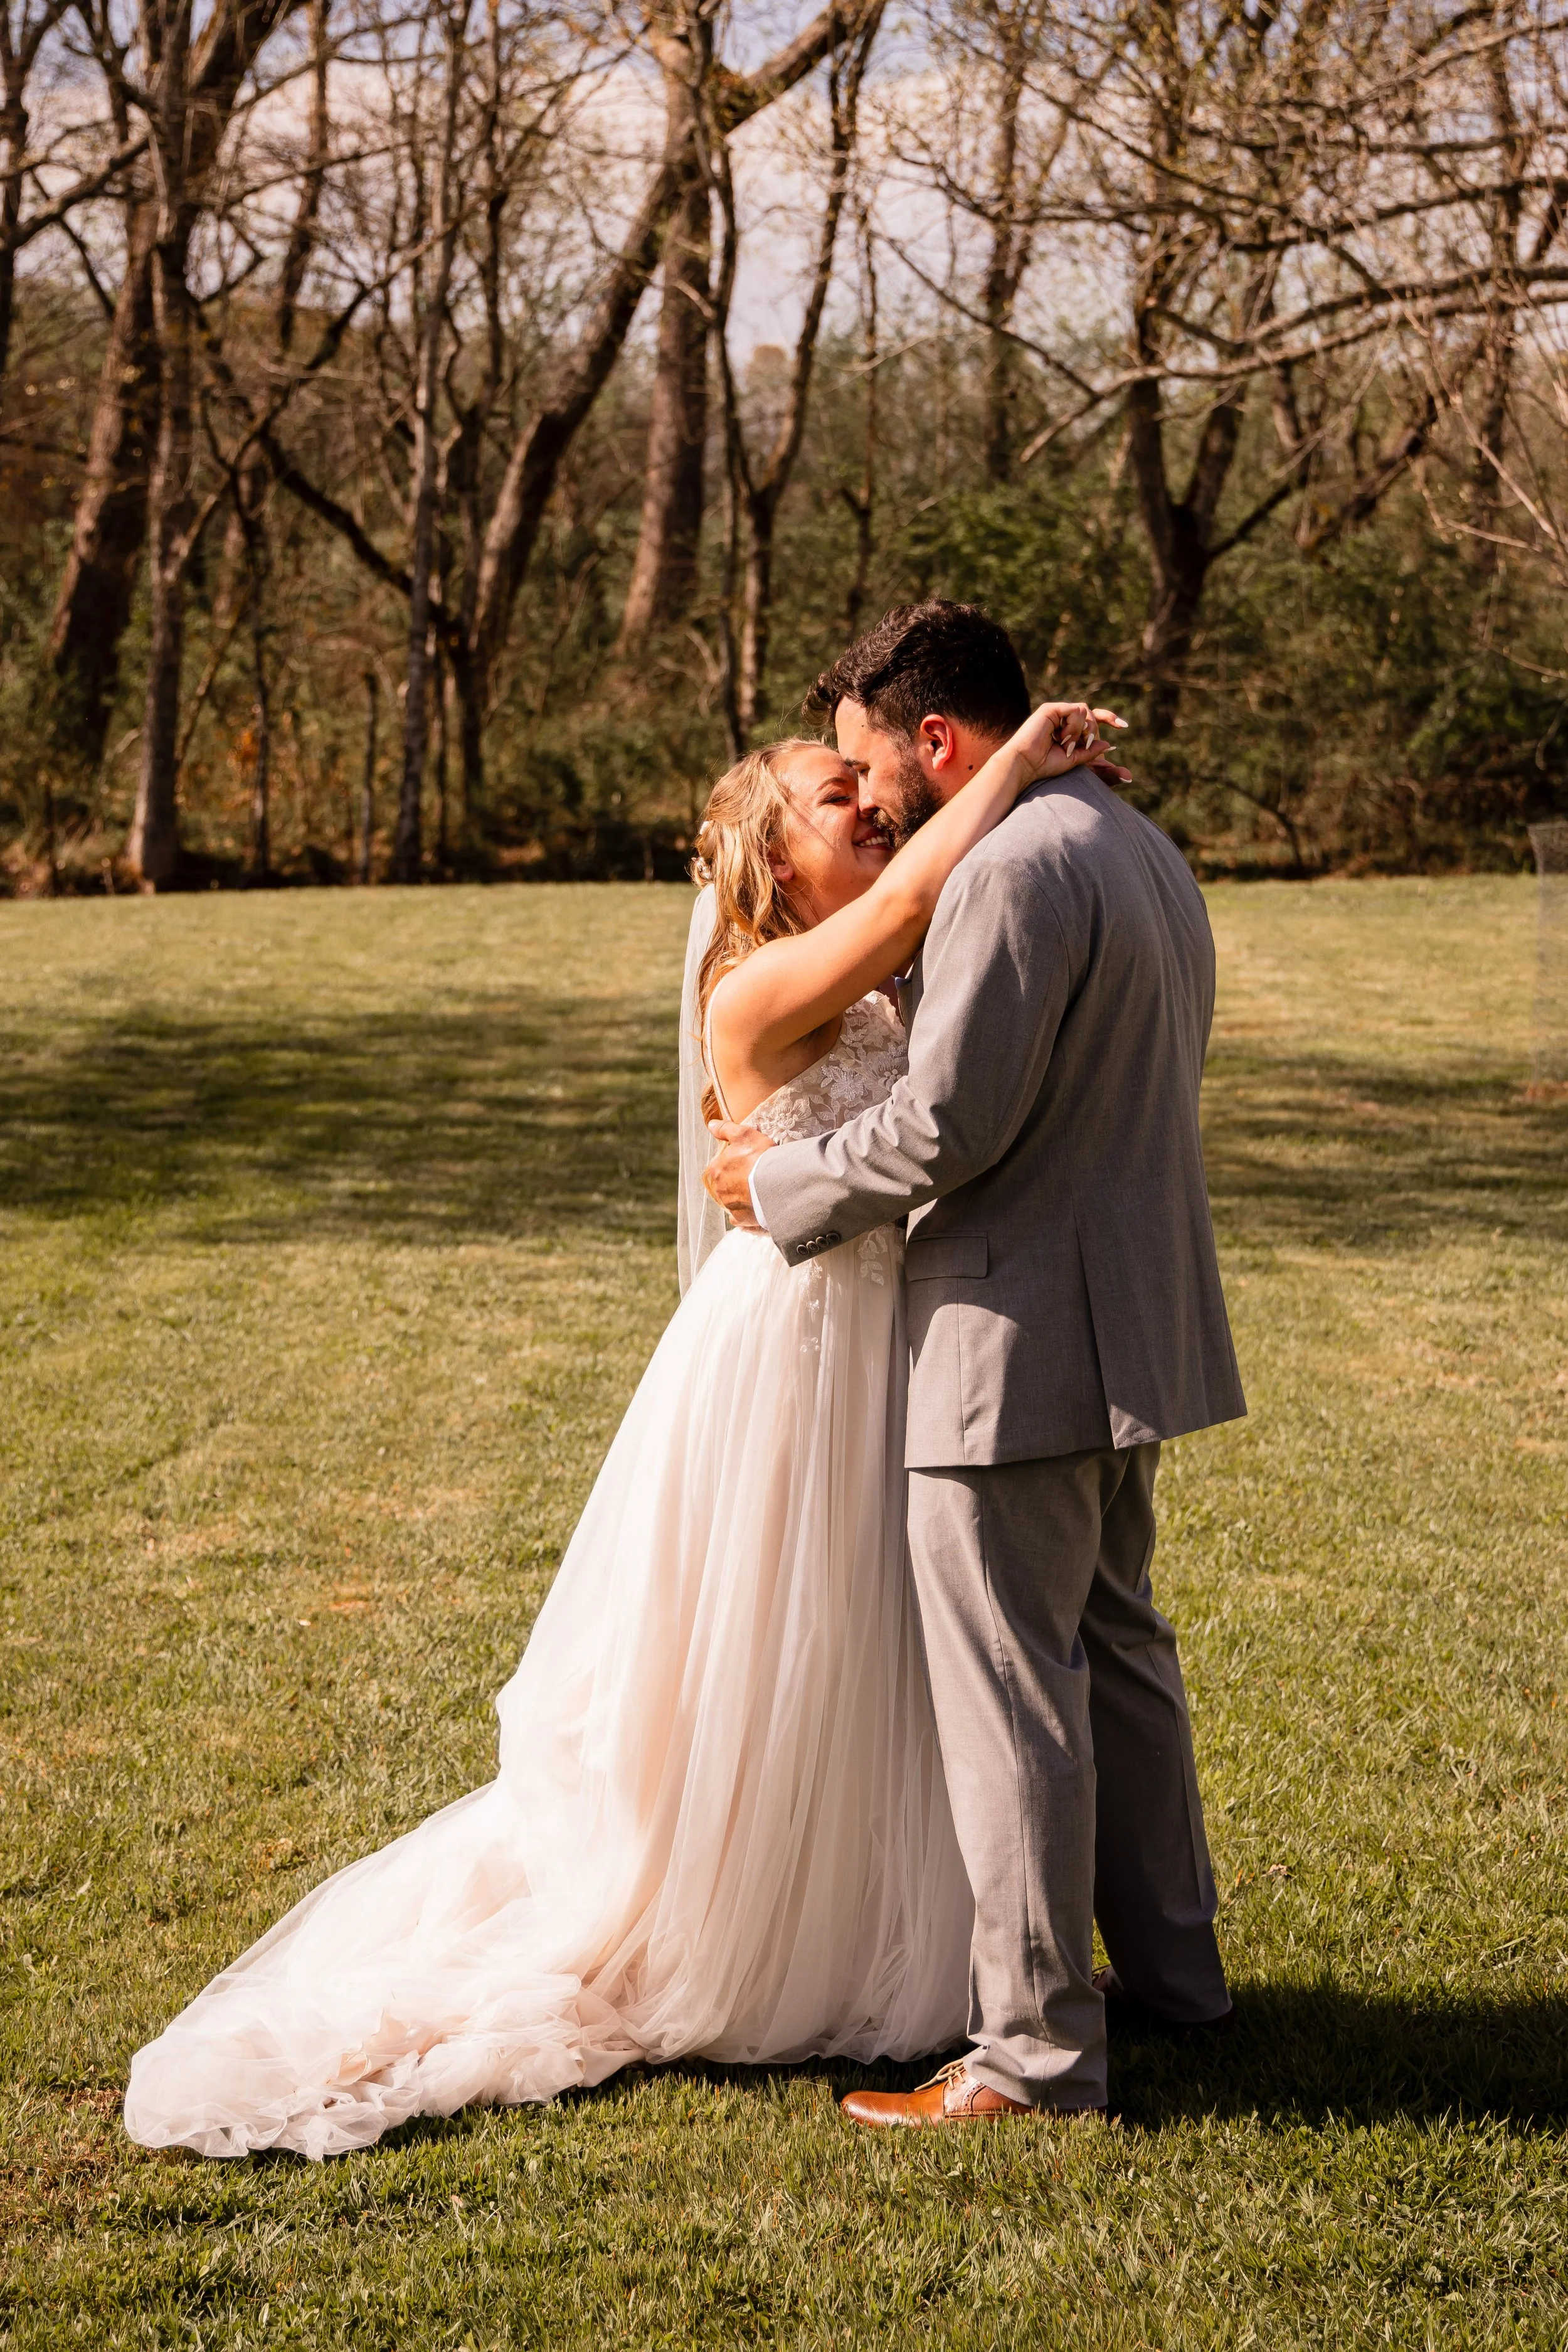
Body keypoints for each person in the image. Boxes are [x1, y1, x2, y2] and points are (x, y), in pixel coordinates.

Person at [122, 674, 1120, 2160]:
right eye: (830, 794)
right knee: (785, 1632)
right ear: (779, 861)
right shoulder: (759, 987)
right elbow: (914, 896)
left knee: (878, 1643)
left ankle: (891, 1935)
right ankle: (751, 1925)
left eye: (864, 786)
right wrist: (1021, 760)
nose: (868, 798)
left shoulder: (881, 972)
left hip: (888, 1334)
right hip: (791, 1346)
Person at [706, 597, 1247, 2127]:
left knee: (1019, 1689)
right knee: (1119, 1655)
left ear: (935, 739)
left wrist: (783, 1188)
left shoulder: (1009, 867)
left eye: (872, 771)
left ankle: (1032, 2056)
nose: (870, 800)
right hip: (1125, 1318)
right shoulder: (1133, 845)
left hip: (1010, 1336)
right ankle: (1177, 1978)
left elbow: (950, 1124)